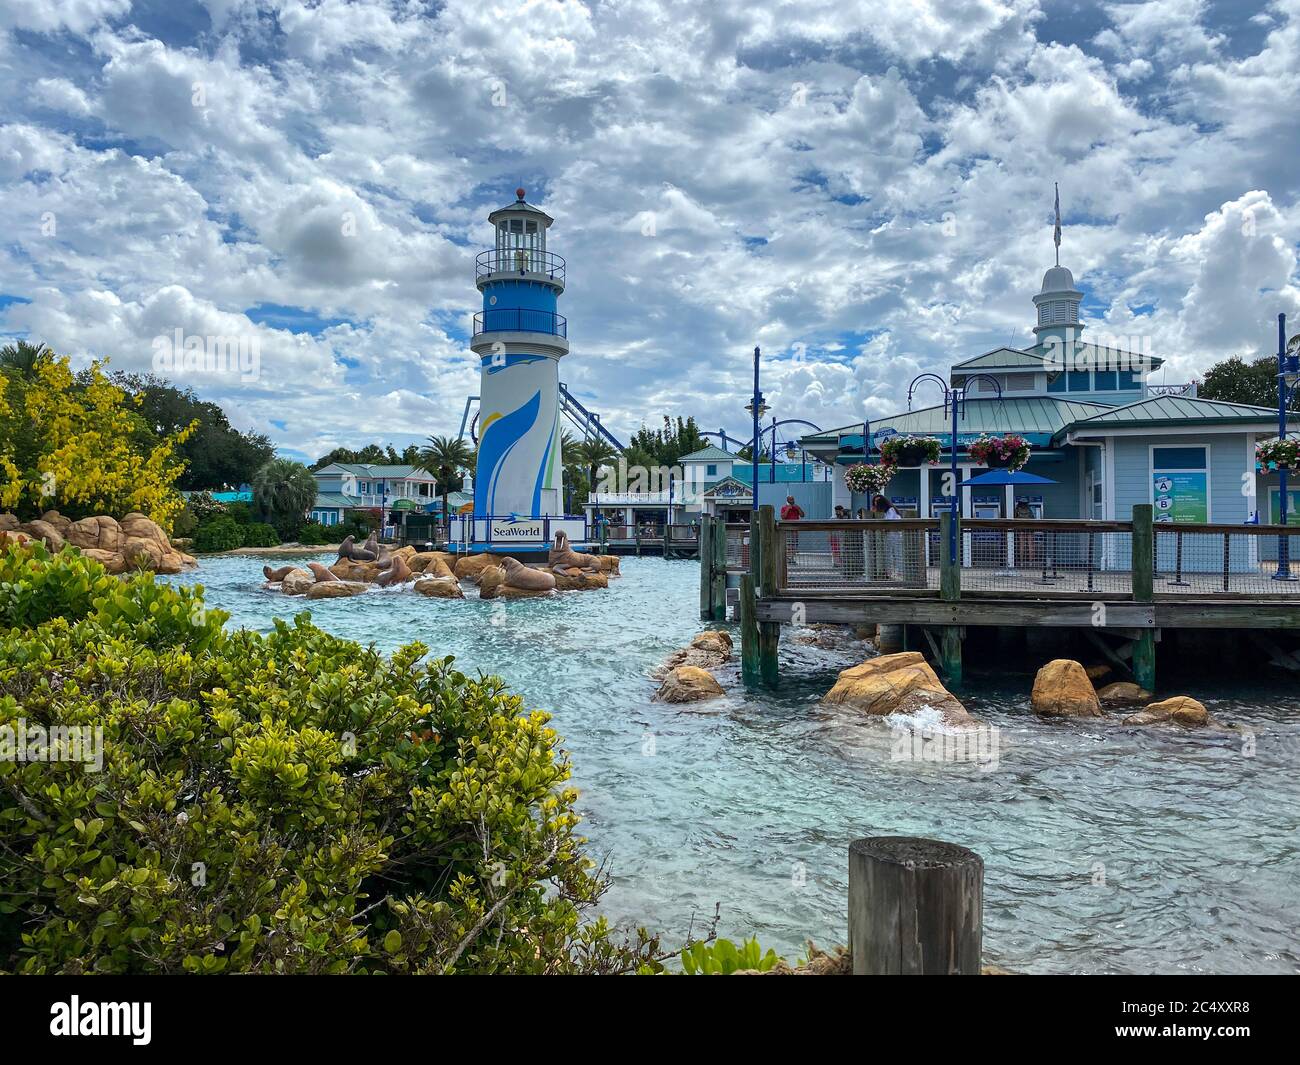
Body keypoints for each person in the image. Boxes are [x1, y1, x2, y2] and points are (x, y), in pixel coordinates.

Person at [780, 494, 804, 566]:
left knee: (794, 544)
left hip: (795, 529)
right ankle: (788, 558)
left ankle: (792, 558)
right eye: (790, 500)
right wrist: (788, 509)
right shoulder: (784, 507)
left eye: (793, 499)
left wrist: (798, 508)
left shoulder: (796, 507)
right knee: (788, 544)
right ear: (787, 500)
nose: (792, 501)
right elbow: (783, 517)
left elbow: (802, 515)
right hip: (787, 529)